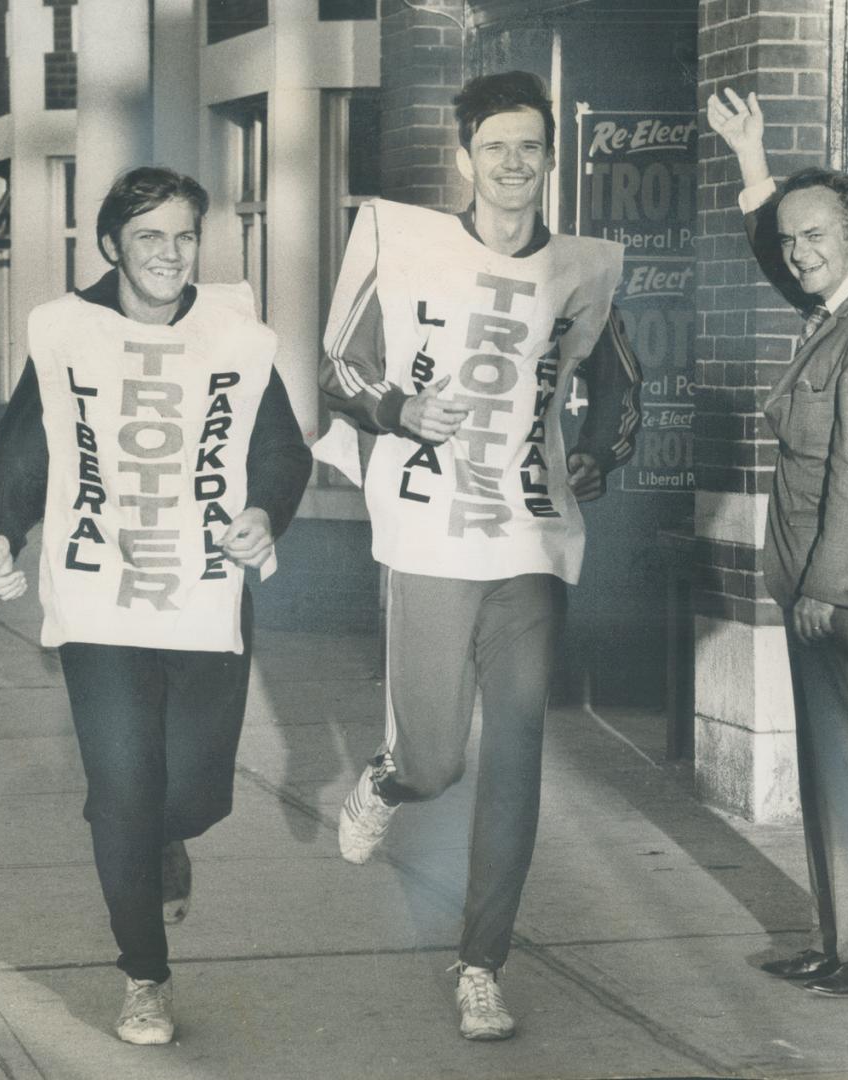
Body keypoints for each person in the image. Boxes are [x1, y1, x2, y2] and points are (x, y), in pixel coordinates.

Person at [320, 70, 641, 1040]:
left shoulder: (582, 269)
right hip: (427, 531)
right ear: (465, 157)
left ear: (549, 158)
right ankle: (388, 779)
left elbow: (626, 387)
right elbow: (335, 365)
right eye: (494, 146)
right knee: (437, 759)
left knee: (516, 750)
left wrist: (597, 456)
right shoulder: (405, 242)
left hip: (528, 537)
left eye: (529, 146)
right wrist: (399, 410)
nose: (513, 163)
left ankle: (481, 964)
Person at [0, 166, 312, 1045]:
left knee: (192, 791)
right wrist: (0, 533)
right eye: (150, 235)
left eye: (185, 235)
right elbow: (24, 444)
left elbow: (280, 448)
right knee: (123, 786)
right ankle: (144, 976)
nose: (169, 253)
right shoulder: (69, 332)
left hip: (204, 598)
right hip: (100, 603)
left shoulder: (233, 334)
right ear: (113, 244)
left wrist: (262, 512)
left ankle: (169, 836)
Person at [706, 88, 848, 997]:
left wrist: (824, 589)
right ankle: (845, 939)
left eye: (816, 237)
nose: (799, 254)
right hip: (827, 580)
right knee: (834, 761)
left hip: (845, 586)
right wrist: (751, 164)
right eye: (790, 239)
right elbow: (786, 259)